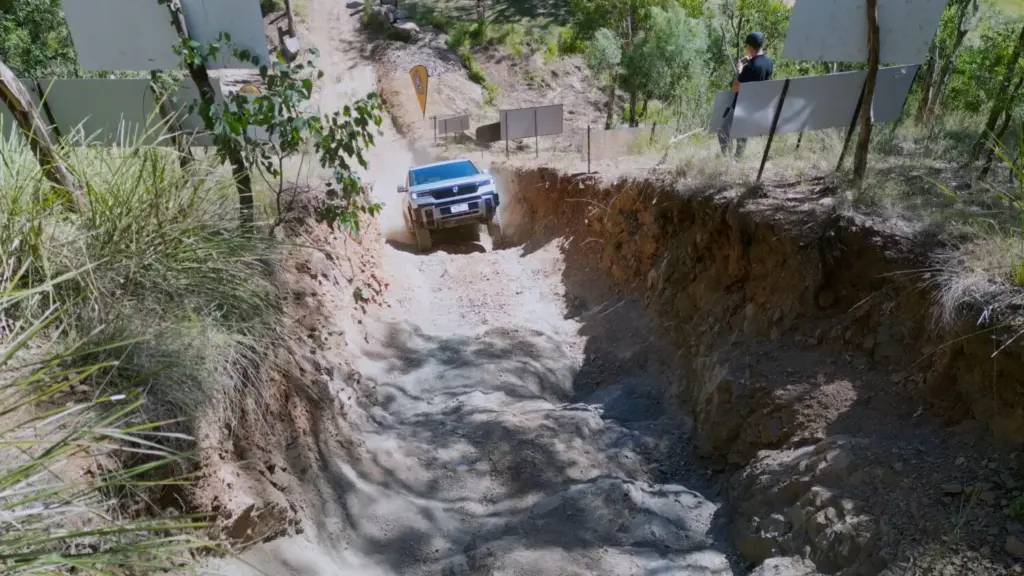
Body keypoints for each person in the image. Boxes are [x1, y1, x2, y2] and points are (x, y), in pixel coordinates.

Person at [718, 31, 774, 158]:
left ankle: (725, 158)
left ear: (750, 46)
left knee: (722, 132)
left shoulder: (750, 67)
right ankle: (737, 160)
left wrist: (739, 70)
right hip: (756, 106)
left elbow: (735, 88)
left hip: (741, 105)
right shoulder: (769, 62)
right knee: (742, 134)